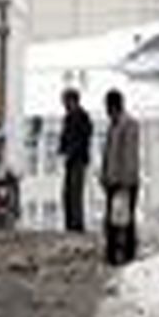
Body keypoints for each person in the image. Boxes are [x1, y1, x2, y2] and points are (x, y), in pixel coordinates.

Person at [100, 89, 141, 266]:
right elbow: (108, 154)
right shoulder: (113, 126)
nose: (107, 111)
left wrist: (125, 181)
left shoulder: (129, 125)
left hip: (125, 182)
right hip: (112, 181)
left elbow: (129, 155)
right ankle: (112, 253)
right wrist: (104, 175)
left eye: (108, 107)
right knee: (112, 219)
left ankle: (127, 254)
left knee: (125, 220)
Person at [58, 89, 93, 232]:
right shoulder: (69, 117)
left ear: (73, 100)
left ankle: (76, 224)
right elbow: (65, 136)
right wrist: (62, 148)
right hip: (71, 159)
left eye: (65, 101)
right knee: (68, 192)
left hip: (78, 159)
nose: (64, 104)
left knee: (75, 192)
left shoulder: (82, 116)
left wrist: (70, 150)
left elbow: (83, 138)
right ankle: (70, 223)